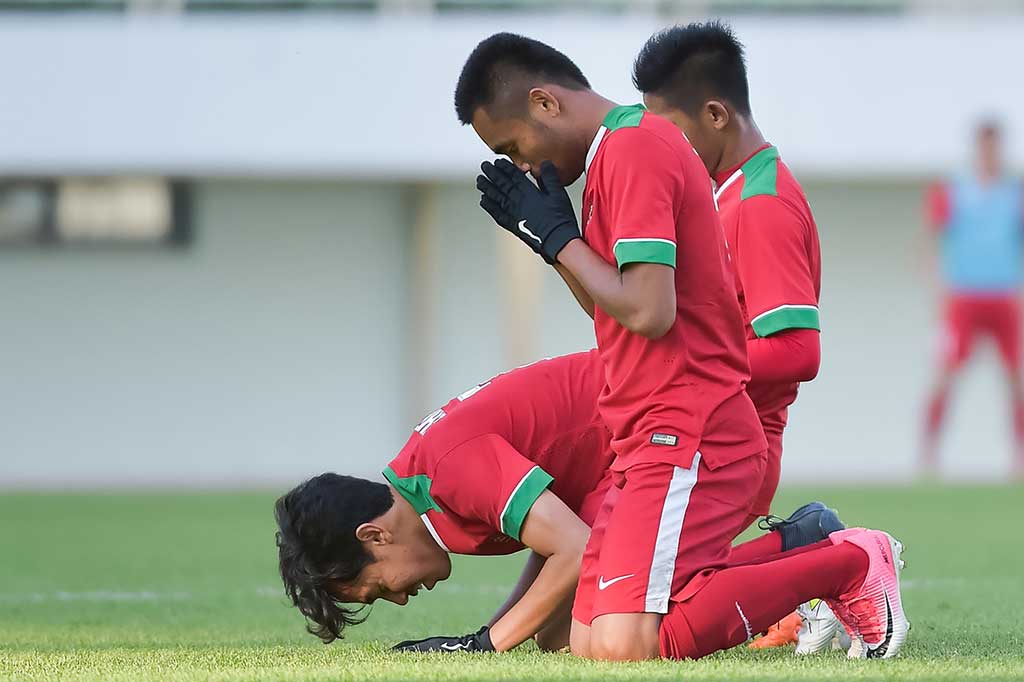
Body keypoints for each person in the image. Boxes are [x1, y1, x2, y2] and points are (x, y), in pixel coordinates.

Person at [458, 33, 908, 660]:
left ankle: (842, 561)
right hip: (647, 431)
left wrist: (559, 238)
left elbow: (650, 310)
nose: (523, 165)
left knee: (625, 645)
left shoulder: (656, 155)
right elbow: (613, 311)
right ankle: (799, 557)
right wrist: (552, 240)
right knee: (575, 640)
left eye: (513, 147)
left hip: (691, 429)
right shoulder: (615, 160)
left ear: (545, 103)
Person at [273, 351, 840, 652]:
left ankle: (820, 558)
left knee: (618, 637)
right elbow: (554, 541)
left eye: (375, 588)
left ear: (373, 536)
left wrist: (484, 644)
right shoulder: (425, 485)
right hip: (650, 447)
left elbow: (572, 546)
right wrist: (494, 633)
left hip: (690, 434)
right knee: (560, 636)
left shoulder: (448, 471)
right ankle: (797, 545)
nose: (396, 600)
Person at [632, 22, 828, 652]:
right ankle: (795, 581)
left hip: (730, 452)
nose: (665, 147)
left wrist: (684, 362)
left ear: (715, 114)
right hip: (703, 438)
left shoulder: (760, 204)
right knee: (633, 612)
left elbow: (798, 352)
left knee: (648, 629)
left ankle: (810, 552)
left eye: (671, 131)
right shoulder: (729, 192)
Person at [922, 120, 1024, 479]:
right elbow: (935, 239)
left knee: (1015, 378)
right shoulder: (954, 190)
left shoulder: (1014, 193)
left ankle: (1018, 460)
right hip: (964, 298)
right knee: (945, 374)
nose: (990, 154)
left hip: (1004, 297)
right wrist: (939, 289)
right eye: (985, 146)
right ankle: (929, 457)